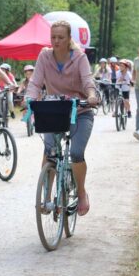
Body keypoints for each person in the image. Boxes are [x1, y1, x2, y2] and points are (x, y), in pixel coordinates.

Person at [25, 19, 99, 215]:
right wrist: (29, 99)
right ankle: (46, 197)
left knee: (76, 153)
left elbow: (88, 81)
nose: (56, 41)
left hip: (80, 111)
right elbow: (35, 83)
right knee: (50, 152)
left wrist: (91, 96)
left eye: (60, 37)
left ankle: (81, 192)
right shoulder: (44, 56)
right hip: (55, 110)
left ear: (69, 39)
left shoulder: (79, 57)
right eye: (53, 37)